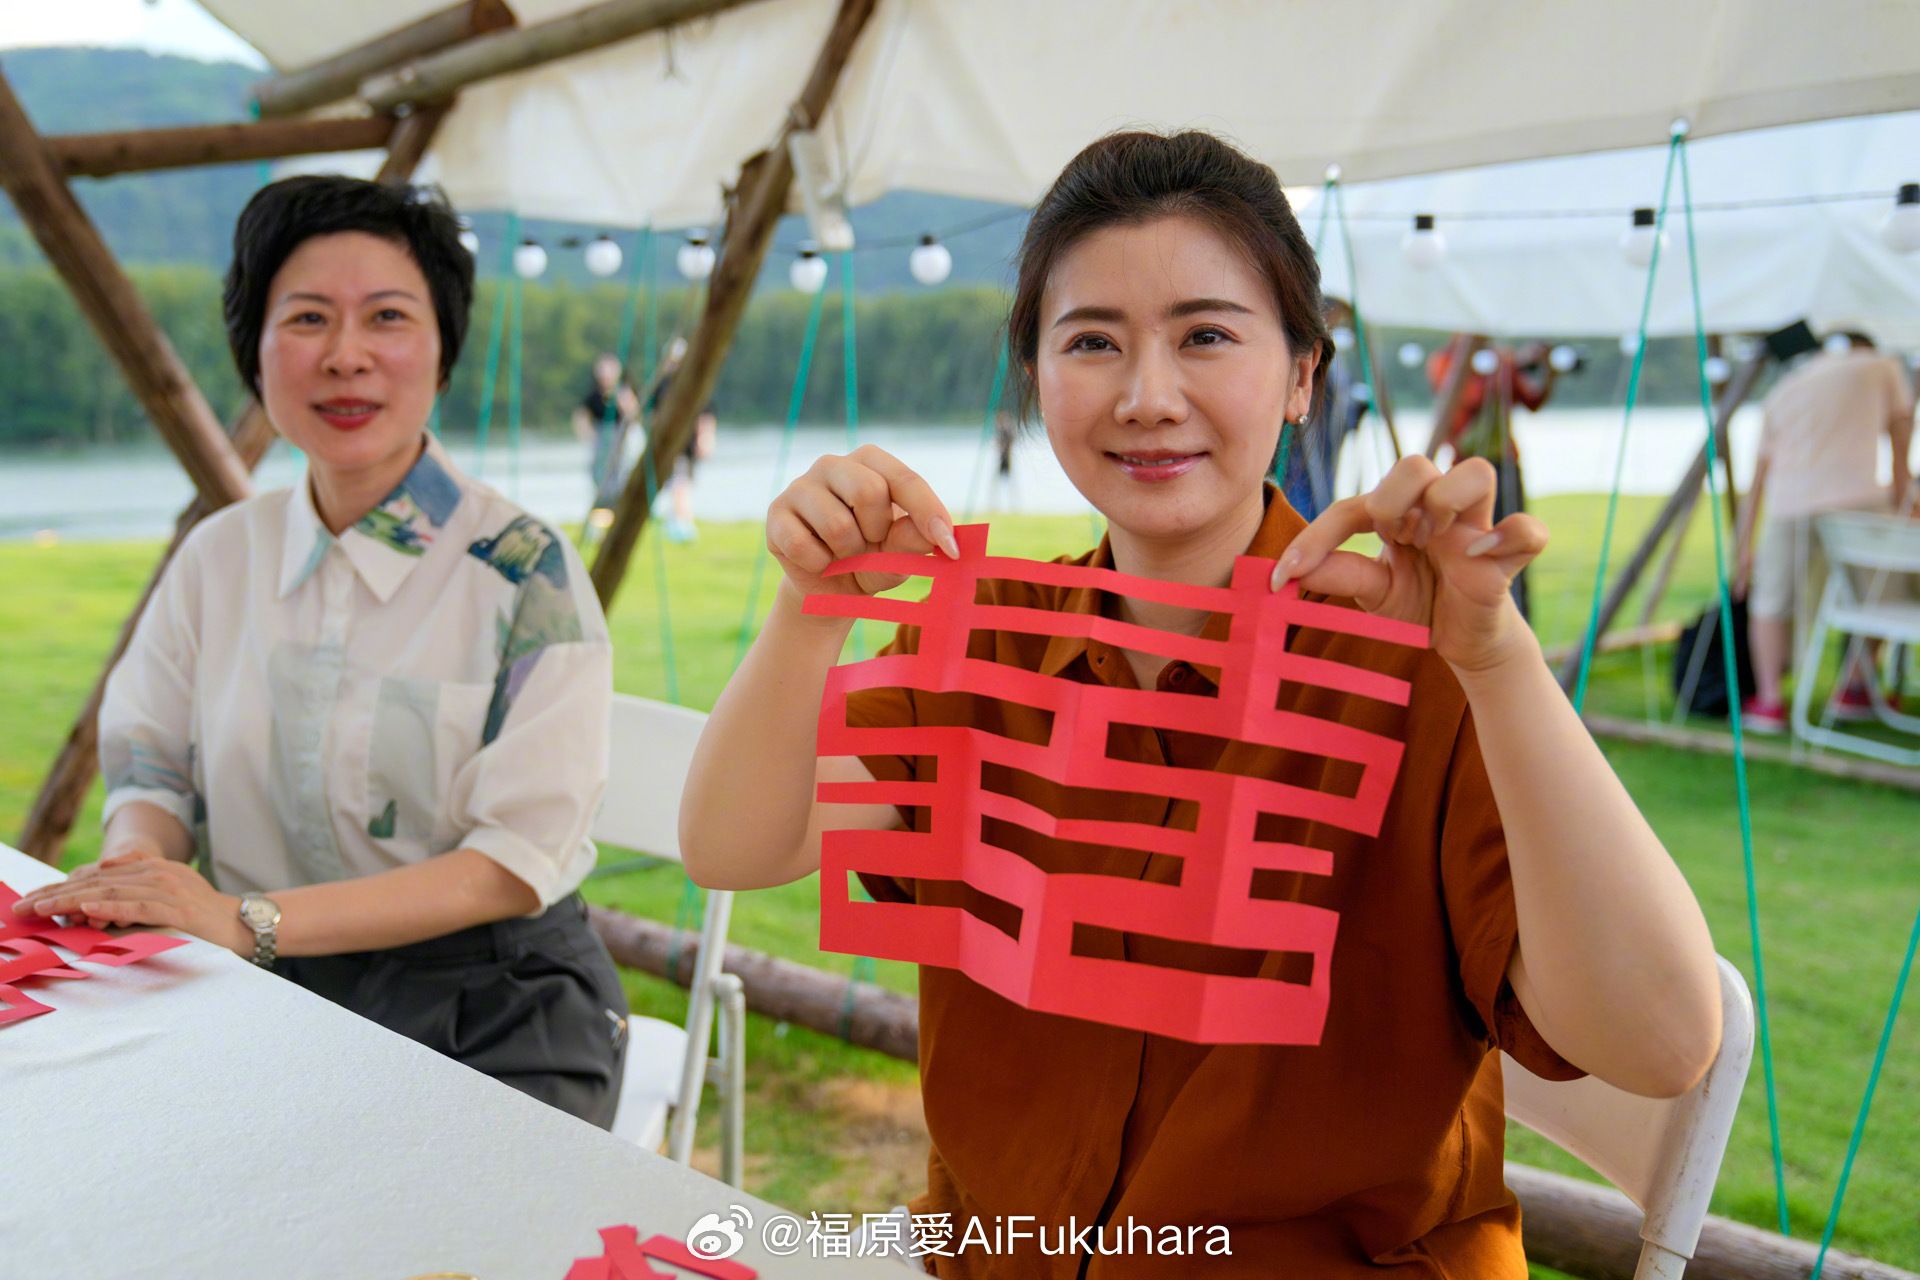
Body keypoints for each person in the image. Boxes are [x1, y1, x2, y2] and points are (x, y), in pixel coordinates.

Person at [680, 131, 1721, 1277]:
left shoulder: (1420, 668)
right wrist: (810, 609)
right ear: (1036, 377)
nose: (1148, 395)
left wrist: (1497, 662)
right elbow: (735, 845)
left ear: (1301, 377)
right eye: (1092, 342)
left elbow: (1664, 1040)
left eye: (1207, 335)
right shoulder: (980, 653)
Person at [12, 176, 629, 1127]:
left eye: (386, 316)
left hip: (495, 1004)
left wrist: (247, 923)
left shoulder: (522, 573)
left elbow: (513, 860)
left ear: (442, 349)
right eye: (306, 319)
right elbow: (152, 771)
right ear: (255, 353)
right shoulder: (220, 556)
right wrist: (142, 873)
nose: (346, 357)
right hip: (256, 986)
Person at [1734, 332, 1915, 732]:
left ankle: (1769, 702)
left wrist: (1744, 546)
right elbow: (1901, 438)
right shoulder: (1882, 366)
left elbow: (1759, 475)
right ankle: (1853, 687)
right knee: (1884, 595)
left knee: (1772, 601)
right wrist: (1906, 500)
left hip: (1789, 503)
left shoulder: (1784, 389)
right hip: (1858, 500)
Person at [1425, 336, 1561, 618]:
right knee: (1470, 548)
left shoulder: (1499, 360)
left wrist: (1547, 368)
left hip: (1505, 466)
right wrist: (1506, 365)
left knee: (1515, 545)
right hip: (1467, 465)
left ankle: (1518, 618)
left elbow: (1532, 400)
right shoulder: (1445, 361)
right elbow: (1466, 398)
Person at [1277, 296, 1365, 522]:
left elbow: (1342, 413)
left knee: (1315, 502)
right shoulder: (1299, 358)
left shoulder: (1334, 365)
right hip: (1296, 456)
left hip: (1320, 454)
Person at [645, 337, 717, 543]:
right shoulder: (662, 385)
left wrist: (705, 437)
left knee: (683, 483)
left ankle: (679, 521)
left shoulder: (696, 383)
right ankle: (681, 523)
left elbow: (706, 413)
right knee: (679, 482)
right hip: (669, 445)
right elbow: (652, 415)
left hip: (688, 444)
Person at [573, 351, 642, 510]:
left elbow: (634, 415)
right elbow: (581, 416)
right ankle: (604, 502)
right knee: (600, 470)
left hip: (623, 437)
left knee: (622, 469)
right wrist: (589, 434)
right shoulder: (594, 396)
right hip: (603, 438)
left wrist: (621, 401)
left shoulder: (624, 390)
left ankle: (622, 503)